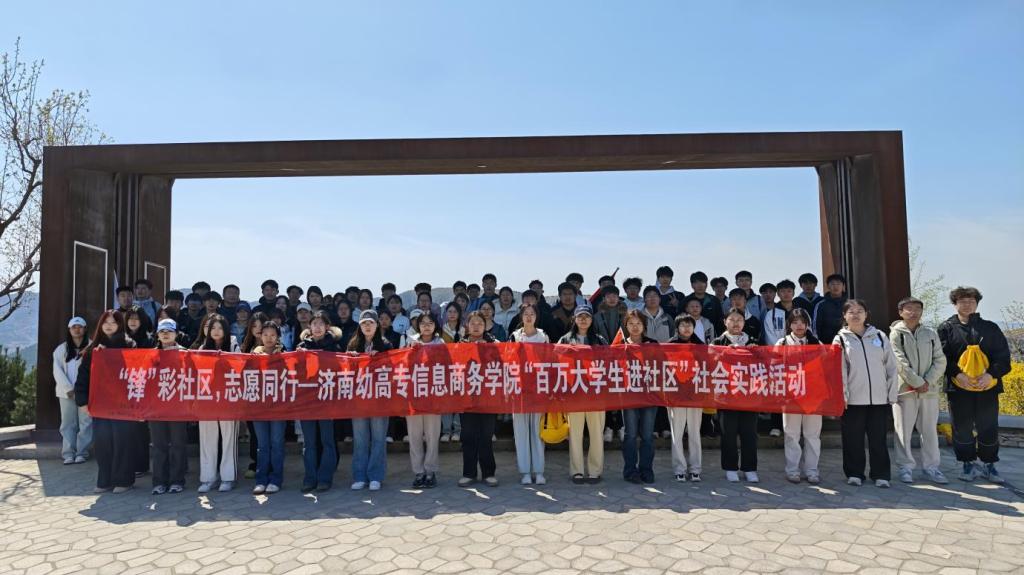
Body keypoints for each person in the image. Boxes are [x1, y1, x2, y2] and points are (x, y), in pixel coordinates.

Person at [938, 286, 1012, 484]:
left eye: (971, 301)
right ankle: (967, 463)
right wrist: (956, 373)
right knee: (961, 427)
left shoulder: (990, 328)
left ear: (977, 303)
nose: (967, 304)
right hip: (958, 387)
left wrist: (990, 375)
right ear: (955, 304)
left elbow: (1003, 358)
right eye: (962, 301)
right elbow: (941, 358)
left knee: (988, 426)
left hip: (987, 386)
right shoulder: (946, 329)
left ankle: (989, 464)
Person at [835, 299, 898, 488]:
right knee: (852, 439)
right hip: (853, 399)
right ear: (844, 316)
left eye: (859, 311)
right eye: (851, 312)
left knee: (878, 438)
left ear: (866, 314)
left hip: (879, 398)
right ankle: (854, 473)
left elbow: (891, 366)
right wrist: (843, 395)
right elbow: (839, 370)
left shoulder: (879, 335)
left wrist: (891, 393)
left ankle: (881, 474)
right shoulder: (840, 339)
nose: (856, 315)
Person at [75, 309, 139, 493]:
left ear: (120, 325)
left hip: (123, 405)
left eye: (113, 322)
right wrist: (83, 402)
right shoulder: (92, 349)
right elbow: (83, 378)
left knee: (122, 442)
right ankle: (105, 480)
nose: (109, 325)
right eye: (105, 322)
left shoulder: (129, 345)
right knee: (103, 443)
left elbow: (137, 373)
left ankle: (124, 480)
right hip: (101, 405)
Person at [890, 297, 948, 485]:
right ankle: (905, 467)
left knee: (929, 430)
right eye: (909, 309)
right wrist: (916, 382)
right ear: (901, 312)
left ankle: (932, 467)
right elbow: (898, 361)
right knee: (903, 430)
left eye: (917, 308)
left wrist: (927, 381)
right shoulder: (895, 334)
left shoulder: (930, 333)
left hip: (929, 390)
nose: (913, 312)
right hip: (905, 390)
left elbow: (940, 359)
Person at [558, 305, 608, 484]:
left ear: (592, 320)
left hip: (596, 394)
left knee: (596, 434)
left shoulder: (600, 340)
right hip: (574, 394)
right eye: (580, 316)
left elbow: (608, 364)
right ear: (574, 319)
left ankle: (595, 470)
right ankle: (577, 471)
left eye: (587, 316)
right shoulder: (565, 339)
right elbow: (557, 364)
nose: (584, 320)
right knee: (575, 434)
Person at [712, 309, 760, 483]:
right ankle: (730, 467)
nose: (736, 323)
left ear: (744, 322)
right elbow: (709, 362)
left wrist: (756, 353)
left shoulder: (753, 341)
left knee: (749, 433)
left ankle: (750, 468)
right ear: (725, 322)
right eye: (732, 319)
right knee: (728, 433)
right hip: (726, 396)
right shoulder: (718, 342)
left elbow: (763, 365)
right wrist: (723, 352)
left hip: (749, 395)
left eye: (739, 319)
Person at [776, 309, 823, 484]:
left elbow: (825, 367)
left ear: (808, 324)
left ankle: (812, 470)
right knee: (791, 434)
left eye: (803, 322)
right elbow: (774, 366)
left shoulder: (816, 343)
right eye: (795, 322)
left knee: (812, 435)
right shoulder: (782, 343)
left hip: (813, 395)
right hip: (791, 395)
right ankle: (792, 469)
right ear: (789, 325)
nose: (799, 326)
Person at [347, 310, 392, 491]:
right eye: (364, 323)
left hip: (379, 399)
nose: (367, 326)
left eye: (371, 323)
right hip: (359, 399)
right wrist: (353, 360)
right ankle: (360, 476)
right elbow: (345, 370)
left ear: (377, 325)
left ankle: (375, 476)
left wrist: (380, 357)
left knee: (379, 438)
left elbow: (393, 368)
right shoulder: (353, 345)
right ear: (359, 326)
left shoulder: (386, 344)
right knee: (360, 439)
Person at [296, 311, 341, 491]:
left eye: (321, 324)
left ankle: (325, 478)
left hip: (327, 400)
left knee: (327, 441)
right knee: (309, 442)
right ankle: (310, 478)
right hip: (307, 400)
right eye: (314, 324)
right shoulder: (301, 347)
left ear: (327, 327)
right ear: (309, 327)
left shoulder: (335, 347)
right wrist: (299, 357)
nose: (317, 327)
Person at [196, 314, 240, 493]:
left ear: (226, 330)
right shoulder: (202, 348)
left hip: (228, 399)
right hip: (207, 400)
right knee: (207, 439)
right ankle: (208, 478)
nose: (216, 331)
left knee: (229, 439)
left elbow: (239, 369)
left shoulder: (233, 346)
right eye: (212, 328)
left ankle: (228, 477)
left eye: (220, 328)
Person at [458, 312, 500, 487]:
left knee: (486, 435)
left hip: (488, 397)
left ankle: (488, 473)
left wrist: (488, 351)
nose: (476, 326)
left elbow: (502, 365)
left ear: (486, 326)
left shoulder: (495, 344)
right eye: (473, 323)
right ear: (467, 326)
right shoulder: (459, 345)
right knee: (468, 435)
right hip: (467, 398)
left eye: (480, 323)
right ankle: (469, 473)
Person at [508, 303, 548, 485]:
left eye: (532, 313)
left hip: (538, 389)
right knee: (521, 432)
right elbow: (509, 362)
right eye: (526, 314)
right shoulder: (515, 336)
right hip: (519, 390)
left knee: (537, 433)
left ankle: (539, 471)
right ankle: (525, 472)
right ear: (521, 317)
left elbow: (549, 361)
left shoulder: (543, 336)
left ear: (537, 316)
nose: (529, 317)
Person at [404, 313, 444, 488]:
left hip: (433, 396)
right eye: (423, 323)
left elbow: (446, 367)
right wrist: (410, 351)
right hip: (414, 396)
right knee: (414, 436)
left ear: (435, 325)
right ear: (417, 325)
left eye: (430, 323)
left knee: (432, 435)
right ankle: (418, 472)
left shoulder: (440, 343)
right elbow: (401, 366)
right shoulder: (409, 342)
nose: (426, 326)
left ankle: (430, 471)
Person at [150, 319, 189, 494]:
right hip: (156, 408)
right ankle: (159, 481)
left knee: (178, 444)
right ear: (157, 334)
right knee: (159, 445)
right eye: (162, 331)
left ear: (176, 333)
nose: (165, 334)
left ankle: (177, 480)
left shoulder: (185, 354)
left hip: (178, 407)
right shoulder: (151, 355)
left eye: (169, 331)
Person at [620, 310, 658, 484]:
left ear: (644, 325)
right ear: (626, 326)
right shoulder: (620, 345)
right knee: (630, 434)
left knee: (648, 435)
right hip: (628, 396)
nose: (635, 327)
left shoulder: (653, 344)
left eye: (638, 324)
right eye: (631, 324)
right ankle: (630, 470)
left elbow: (661, 367)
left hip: (650, 396)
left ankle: (646, 469)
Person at [667, 315, 705, 482]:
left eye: (690, 325)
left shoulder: (701, 346)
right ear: (677, 328)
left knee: (695, 432)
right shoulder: (669, 346)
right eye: (683, 325)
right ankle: (679, 468)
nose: (687, 328)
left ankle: (695, 468)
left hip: (695, 395)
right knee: (677, 433)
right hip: (676, 396)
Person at [251, 322, 287, 495]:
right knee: (262, 445)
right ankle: (261, 480)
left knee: (277, 443)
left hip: (279, 407)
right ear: (260, 336)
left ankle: (276, 479)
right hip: (259, 407)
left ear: (278, 336)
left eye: (273, 335)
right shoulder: (253, 355)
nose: (269, 338)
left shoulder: (285, 355)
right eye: (265, 334)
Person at [54, 316, 92, 465]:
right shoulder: (61, 349)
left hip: (86, 392)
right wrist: (68, 389)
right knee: (68, 423)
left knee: (86, 422)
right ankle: (68, 453)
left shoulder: (91, 347)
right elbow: (57, 371)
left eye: (80, 326)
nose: (77, 330)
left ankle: (82, 452)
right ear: (69, 330)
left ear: (85, 329)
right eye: (73, 327)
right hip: (66, 393)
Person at [593, 285, 627, 442]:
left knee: (621, 392)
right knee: (605, 393)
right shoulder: (597, 316)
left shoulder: (626, 315)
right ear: (604, 298)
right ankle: (608, 426)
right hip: (603, 359)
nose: (612, 299)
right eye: (609, 296)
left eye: (615, 296)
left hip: (622, 358)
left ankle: (620, 425)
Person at [439, 302, 463, 442]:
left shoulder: (464, 330)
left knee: (459, 402)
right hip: (444, 370)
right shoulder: (440, 331)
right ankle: (446, 431)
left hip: (461, 370)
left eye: (455, 311)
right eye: (450, 311)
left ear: (459, 314)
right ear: (446, 314)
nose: (452, 314)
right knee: (446, 401)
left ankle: (458, 431)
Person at [813, 274, 847, 344]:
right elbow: (816, 326)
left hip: (847, 342)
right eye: (832, 284)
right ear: (828, 286)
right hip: (826, 344)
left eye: (838, 284)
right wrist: (818, 343)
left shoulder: (850, 304)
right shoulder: (821, 305)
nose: (835, 286)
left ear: (843, 286)